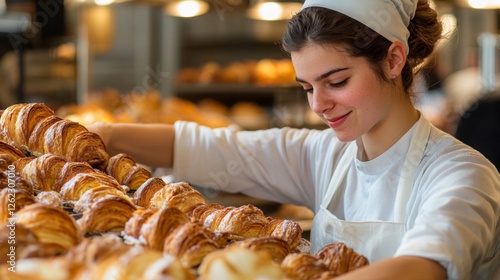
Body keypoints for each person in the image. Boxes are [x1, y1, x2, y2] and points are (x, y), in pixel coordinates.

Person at [87, 0, 500, 279]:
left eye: (336, 81)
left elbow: (425, 265)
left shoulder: (462, 174)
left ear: (393, 59)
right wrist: (103, 134)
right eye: (306, 88)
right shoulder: (327, 155)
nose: (319, 105)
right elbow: (213, 149)